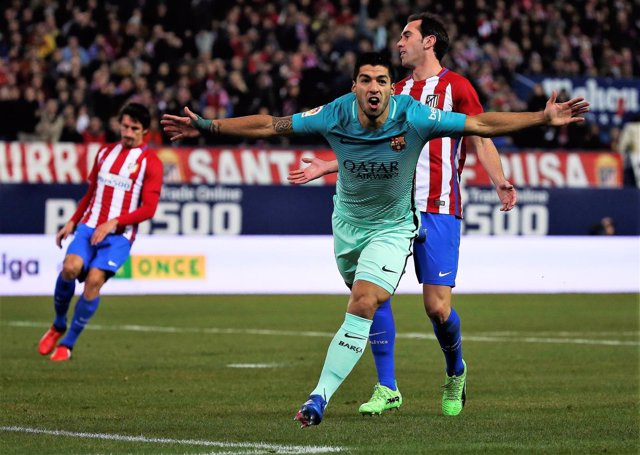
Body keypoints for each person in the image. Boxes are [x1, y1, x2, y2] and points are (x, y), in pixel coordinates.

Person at [161, 52, 588, 427]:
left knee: (371, 301)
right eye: (365, 79)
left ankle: (319, 397)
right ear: (355, 87)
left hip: (393, 225)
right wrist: (209, 125)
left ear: (389, 88)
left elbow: (479, 123)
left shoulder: (414, 114)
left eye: (381, 80)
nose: (374, 87)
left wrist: (539, 118)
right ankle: (385, 387)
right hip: (347, 227)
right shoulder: (335, 112)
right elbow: (271, 125)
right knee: (366, 303)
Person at [287, 13, 517, 417]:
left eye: (406, 35)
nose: (398, 42)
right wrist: (326, 165)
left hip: (438, 206)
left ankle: (455, 370)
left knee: (437, 307)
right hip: (387, 211)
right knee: (373, 294)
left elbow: (481, 132)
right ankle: (387, 386)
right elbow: (366, 150)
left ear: (429, 41)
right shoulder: (390, 90)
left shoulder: (456, 86)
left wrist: (498, 179)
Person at [38, 103, 163, 362]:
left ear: (145, 132)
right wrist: (72, 221)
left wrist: (114, 223)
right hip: (88, 227)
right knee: (70, 267)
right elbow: (91, 193)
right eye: (125, 126)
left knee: (94, 280)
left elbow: (149, 209)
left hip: (118, 236)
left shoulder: (150, 163)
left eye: (134, 129)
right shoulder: (105, 153)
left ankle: (68, 345)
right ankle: (59, 324)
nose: (127, 133)